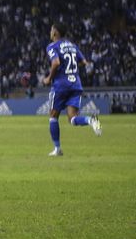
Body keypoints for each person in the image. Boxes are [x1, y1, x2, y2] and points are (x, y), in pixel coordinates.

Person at [41, 23, 102, 157]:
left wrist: (48, 78)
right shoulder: (72, 46)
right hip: (75, 84)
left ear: (56, 32)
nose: (50, 32)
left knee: (53, 117)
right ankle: (91, 121)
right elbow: (84, 62)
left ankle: (57, 149)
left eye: (52, 30)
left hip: (61, 85)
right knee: (73, 118)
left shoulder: (52, 46)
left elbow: (56, 62)